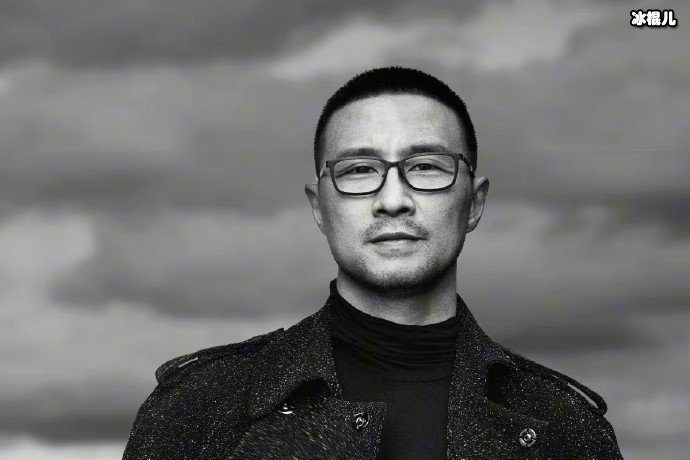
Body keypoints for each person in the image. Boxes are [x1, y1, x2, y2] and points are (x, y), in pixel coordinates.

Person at [123, 67, 623, 459]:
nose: (393, 200)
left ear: (474, 203)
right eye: (360, 170)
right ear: (319, 207)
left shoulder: (567, 428)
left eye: (426, 166)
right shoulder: (197, 407)